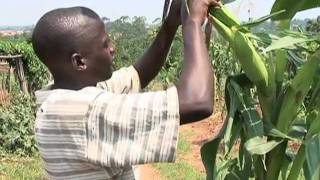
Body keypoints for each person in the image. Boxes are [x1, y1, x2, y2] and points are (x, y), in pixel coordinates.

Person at [32, 0, 220, 179]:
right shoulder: (84, 113)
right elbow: (197, 101)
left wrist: (171, 24)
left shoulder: (61, 98)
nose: (112, 48)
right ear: (80, 61)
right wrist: (192, 23)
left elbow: (137, 74)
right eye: (105, 44)